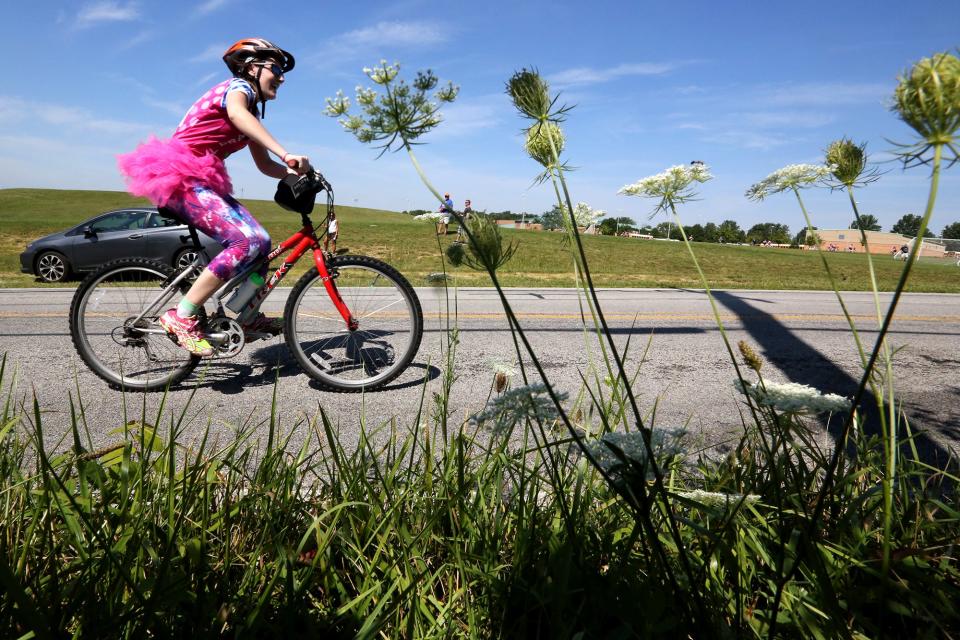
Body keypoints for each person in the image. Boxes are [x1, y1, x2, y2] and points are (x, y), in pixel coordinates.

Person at [117, 38, 312, 356]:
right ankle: (182, 316)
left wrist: (298, 174)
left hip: (202, 181)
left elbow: (264, 166)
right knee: (245, 241)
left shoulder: (252, 114)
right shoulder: (238, 89)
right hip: (181, 178)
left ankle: (245, 316)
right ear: (252, 67)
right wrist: (287, 153)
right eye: (275, 68)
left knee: (261, 242)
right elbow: (236, 115)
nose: (282, 76)